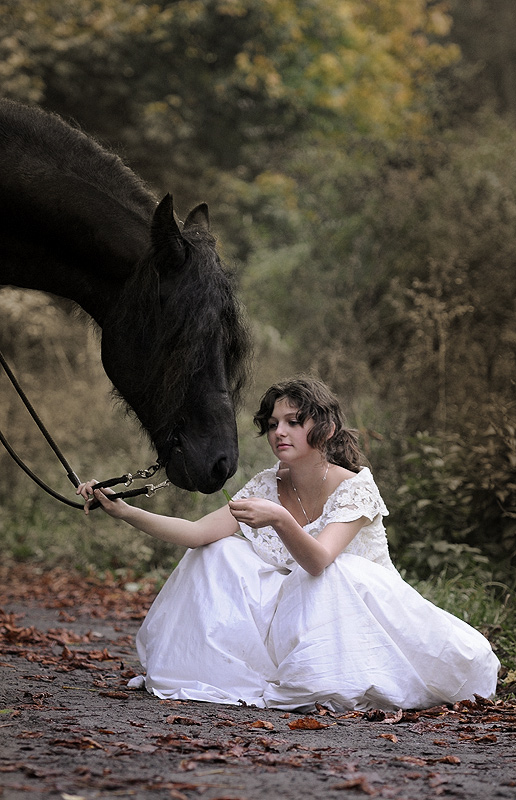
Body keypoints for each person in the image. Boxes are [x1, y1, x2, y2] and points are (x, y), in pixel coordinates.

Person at [77, 377, 500, 712]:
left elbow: (318, 562)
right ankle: (221, 664)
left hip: (360, 614)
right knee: (220, 552)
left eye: (294, 422)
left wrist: (278, 518)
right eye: (274, 423)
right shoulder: (265, 483)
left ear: (326, 428)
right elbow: (196, 533)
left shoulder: (355, 488)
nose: (280, 432)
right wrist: (125, 512)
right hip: (289, 617)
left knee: (333, 575)